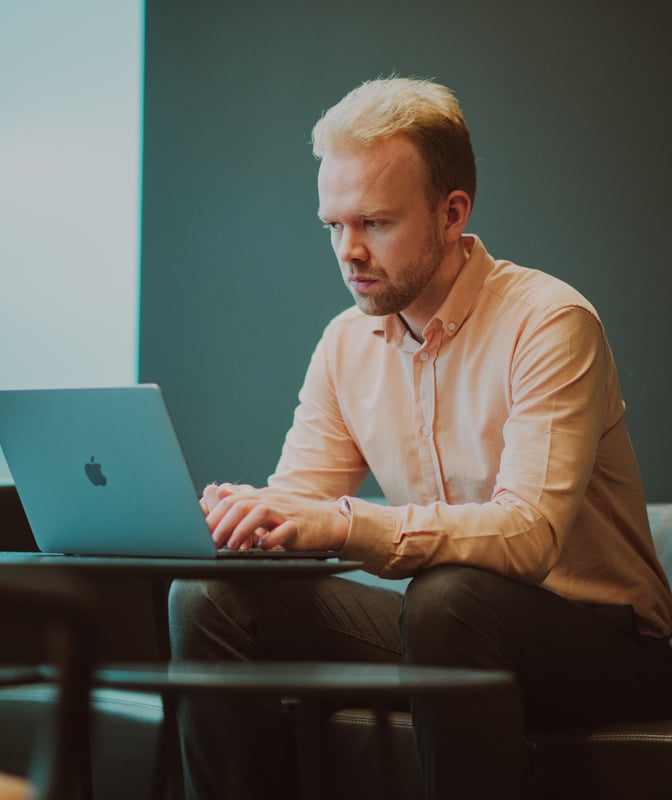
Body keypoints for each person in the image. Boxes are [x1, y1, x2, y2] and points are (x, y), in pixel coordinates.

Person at [168, 77, 672, 799]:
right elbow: (302, 501)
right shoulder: (346, 343)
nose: (349, 252)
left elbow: (527, 537)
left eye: (374, 223)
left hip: (606, 644)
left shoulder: (551, 323)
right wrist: (252, 519)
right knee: (205, 597)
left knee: (447, 599)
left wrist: (340, 525)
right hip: (452, 629)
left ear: (450, 213)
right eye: (333, 226)